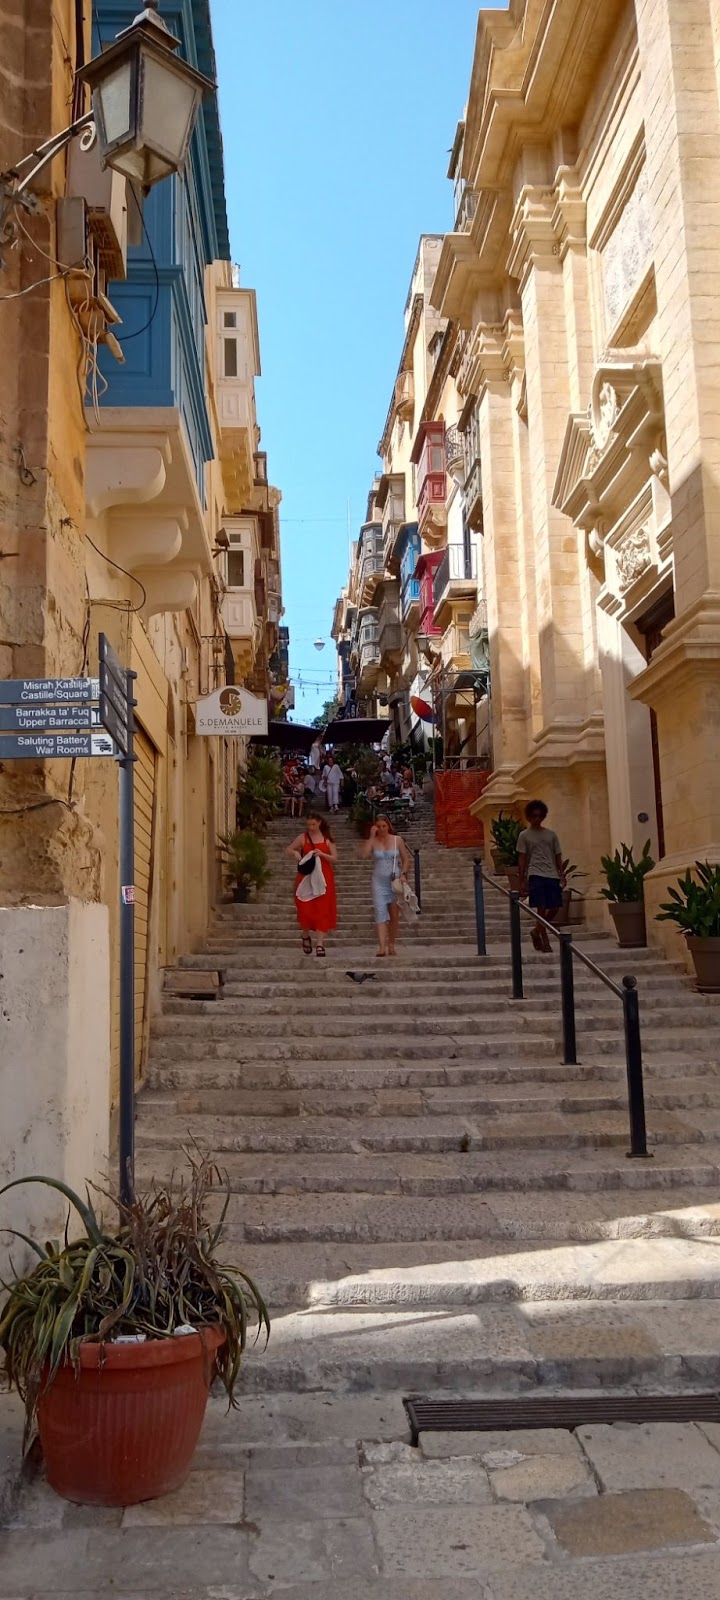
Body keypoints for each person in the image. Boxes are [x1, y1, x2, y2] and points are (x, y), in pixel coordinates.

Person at [517, 800, 566, 952]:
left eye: (539, 816)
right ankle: (545, 941)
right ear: (529, 817)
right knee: (541, 907)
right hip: (535, 873)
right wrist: (522, 879)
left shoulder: (551, 835)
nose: (536, 819)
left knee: (555, 907)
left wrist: (561, 873)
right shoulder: (524, 835)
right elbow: (522, 857)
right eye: (533, 816)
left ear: (543, 816)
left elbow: (558, 854)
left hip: (551, 873)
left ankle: (536, 930)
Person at [360, 815, 411, 957]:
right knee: (380, 912)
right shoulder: (374, 841)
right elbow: (364, 855)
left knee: (394, 915)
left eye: (384, 826)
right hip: (378, 881)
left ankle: (392, 944)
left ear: (388, 826)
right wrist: (370, 836)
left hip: (394, 881)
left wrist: (404, 874)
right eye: (379, 826)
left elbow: (406, 859)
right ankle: (382, 947)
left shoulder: (397, 840)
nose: (381, 829)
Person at [287, 813, 338, 958]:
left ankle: (320, 944)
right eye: (308, 825)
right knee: (305, 909)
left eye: (313, 824)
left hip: (324, 877)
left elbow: (335, 859)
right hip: (306, 877)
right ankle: (305, 935)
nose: (311, 827)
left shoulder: (328, 839)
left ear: (319, 823)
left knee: (322, 910)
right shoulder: (303, 837)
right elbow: (289, 849)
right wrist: (296, 854)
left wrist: (322, 854)